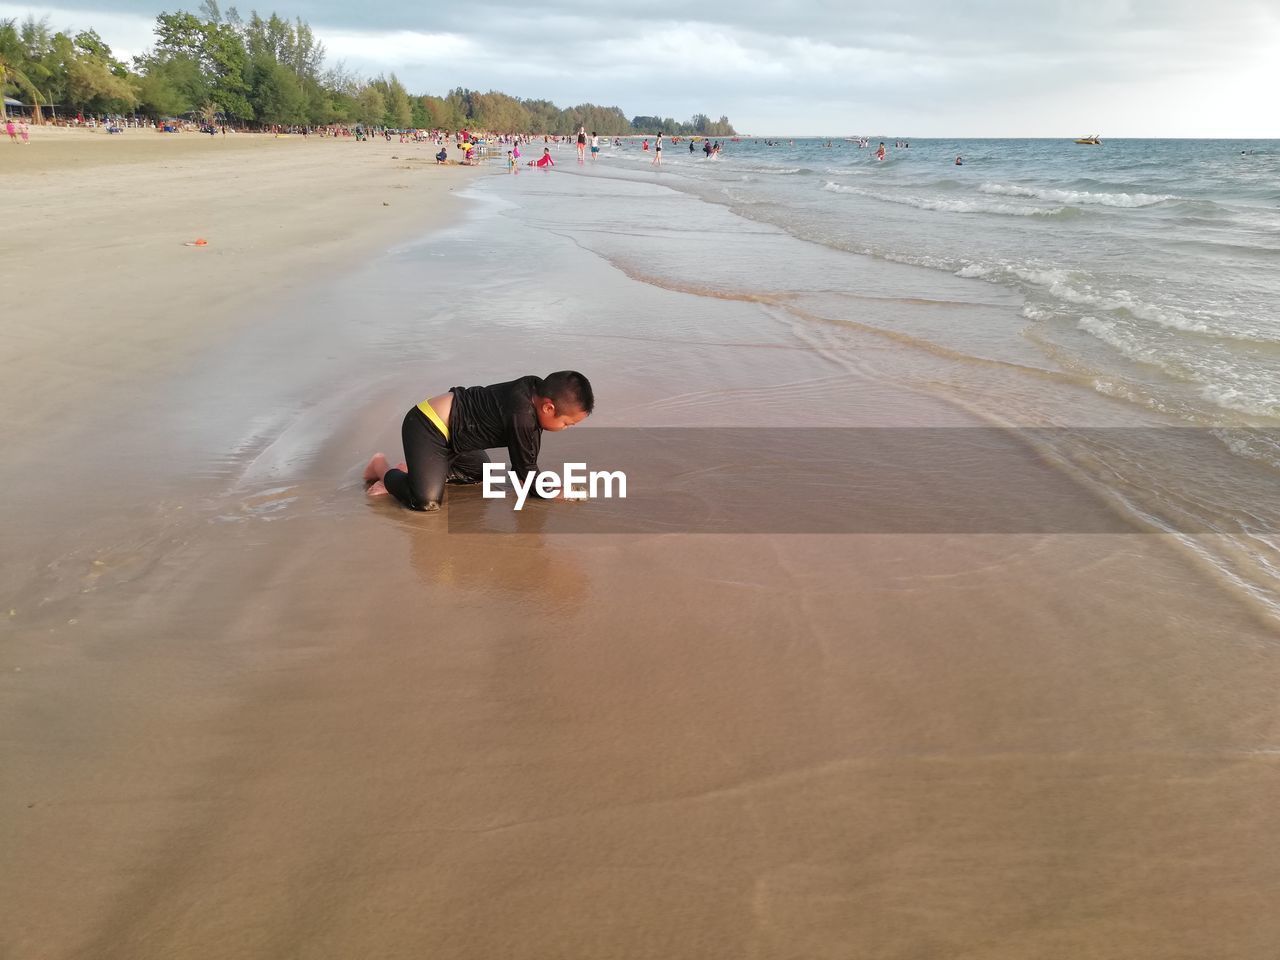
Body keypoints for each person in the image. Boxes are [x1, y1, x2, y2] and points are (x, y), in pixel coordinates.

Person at [363, 372, 594, 511]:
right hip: (427, 426)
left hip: (458, 440)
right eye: (567, 423)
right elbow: (526, 475)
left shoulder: (533, 392)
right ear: (548, 407)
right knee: (426, 502)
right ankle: (382, 468)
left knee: (479, 474)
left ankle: (416, 470)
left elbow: (525, 465)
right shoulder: (522, 415)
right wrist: (558, 492)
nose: (566, 429)